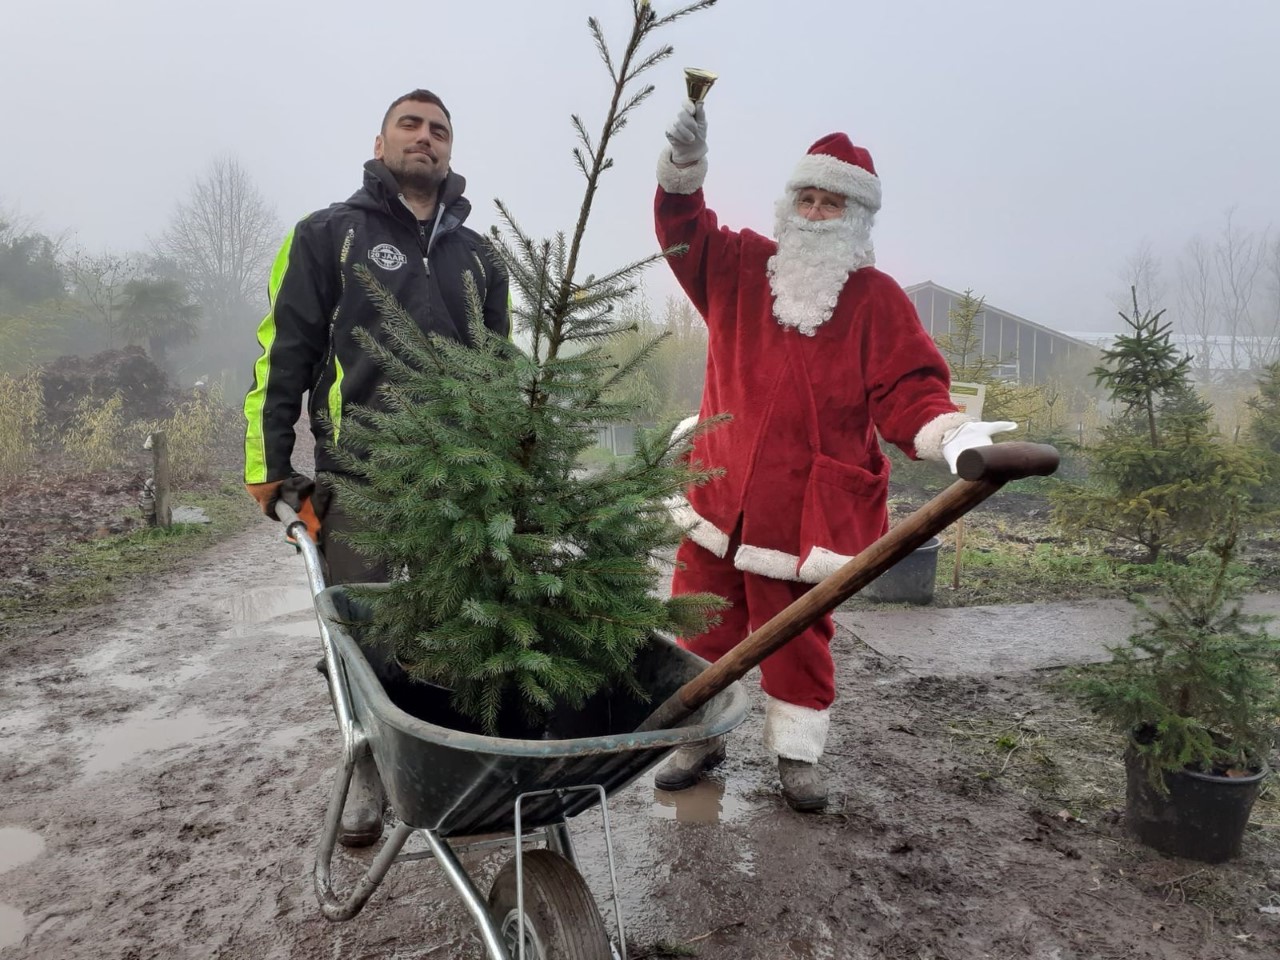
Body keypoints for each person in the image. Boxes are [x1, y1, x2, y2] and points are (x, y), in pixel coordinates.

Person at [654, 98, 1015, 812]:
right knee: (701, 622)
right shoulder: (738, 267)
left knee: (797, 641)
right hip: (720, 493)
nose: (816, 214)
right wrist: (684, 171)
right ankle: (699, 736)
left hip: (806, 513)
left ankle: (795, 754)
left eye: (833, 205)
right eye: (808, 199)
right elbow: (682, 231)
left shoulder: (876, 300)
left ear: (857, 221)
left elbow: (911, 390)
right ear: (791, 205)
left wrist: (952, 434)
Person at [242, 89, 510, 845]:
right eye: (411, 125)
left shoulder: (482, 257)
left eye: (440, 131)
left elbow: (503, 371)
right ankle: (364, 761)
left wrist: (512, 468)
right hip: (358, 479)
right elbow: (281, 358)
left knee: (459, 622)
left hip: (460, 484)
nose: (426, 139)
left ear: (451, 150)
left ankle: (447, 761)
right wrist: (272, 471)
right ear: (382, 139)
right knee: (358, 630)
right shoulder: (328, 235)